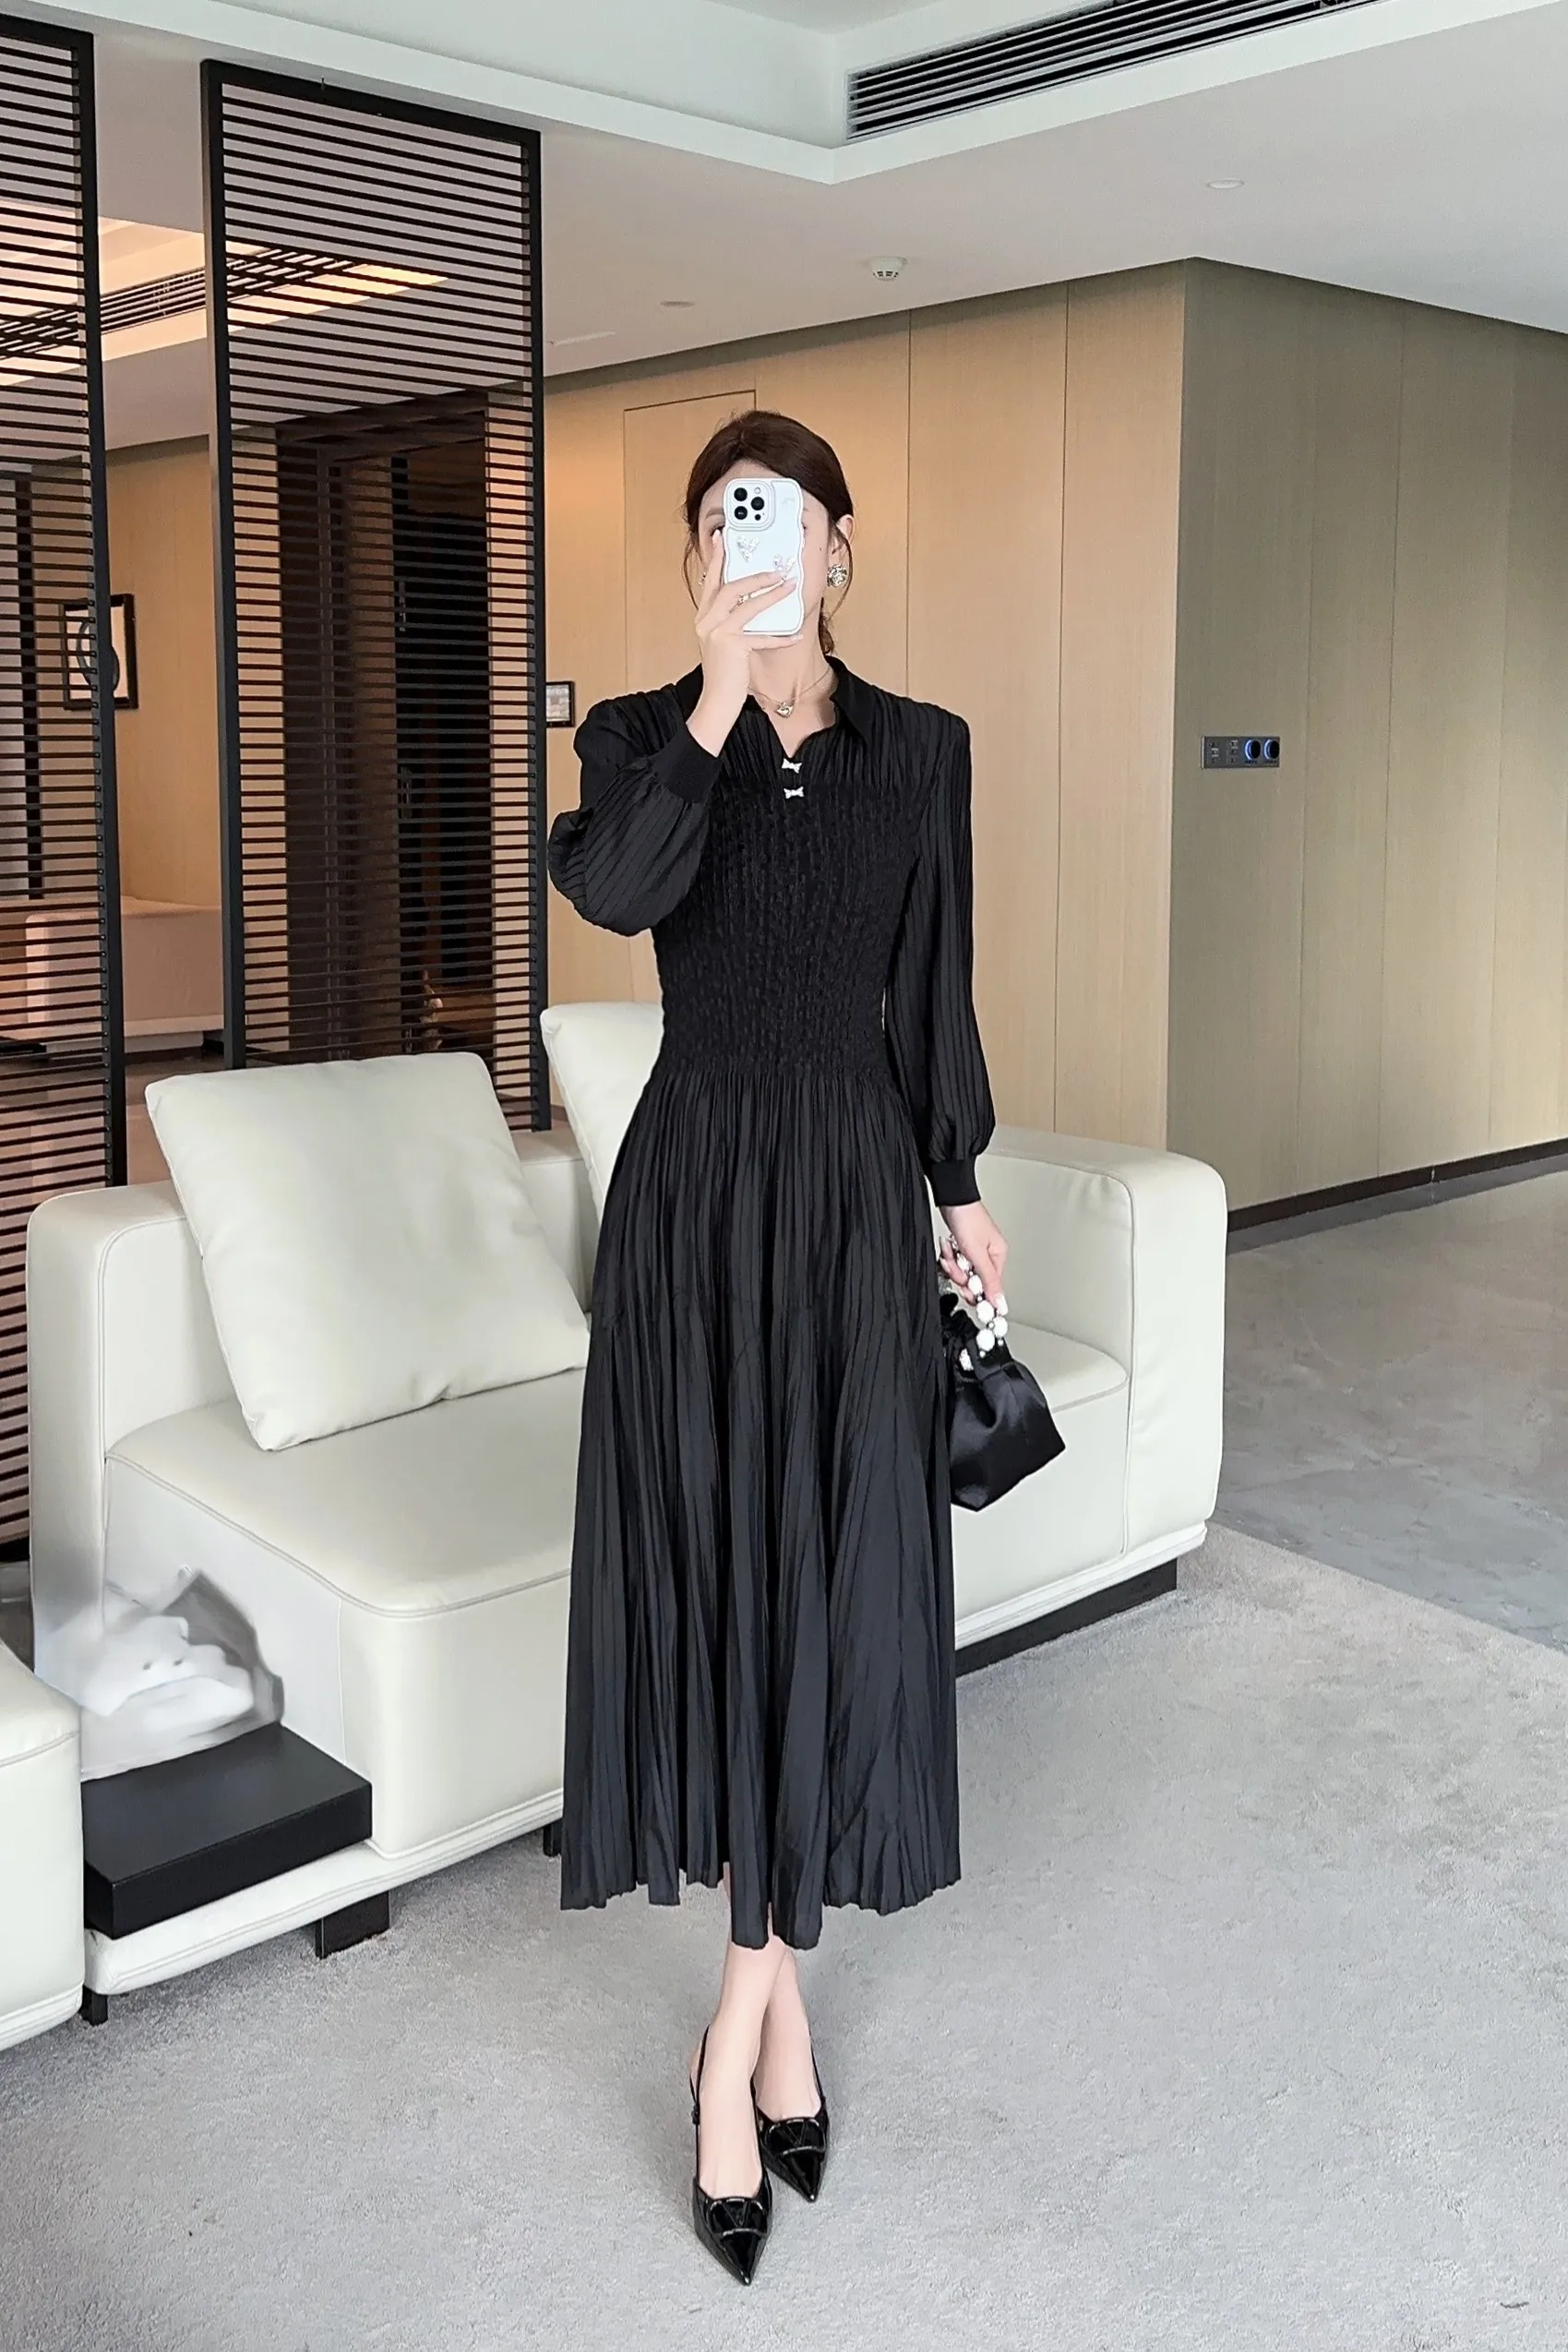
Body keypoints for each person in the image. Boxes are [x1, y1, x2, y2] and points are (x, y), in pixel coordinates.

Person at [545, 408, 1008, 2286]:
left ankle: (735, 2031)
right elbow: (614, 895)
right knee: (729, 1581)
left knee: (831, 1578)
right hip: (693, 1205)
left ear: (839, 548)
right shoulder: (638, 740)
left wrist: (955, 1181)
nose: (762, 548)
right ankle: (766, 2041)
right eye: (728, 526)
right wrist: (722, 699)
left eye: (790, 521)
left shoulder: (924, 749)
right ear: (698, 561)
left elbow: (936, 987)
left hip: (846, 1199)